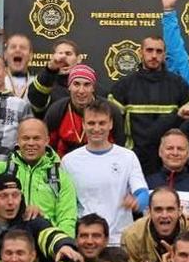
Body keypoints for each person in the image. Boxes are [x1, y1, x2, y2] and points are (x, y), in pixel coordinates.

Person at [0, 117, 78, 236]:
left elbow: (67, 219)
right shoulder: (4, 170)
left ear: (47, 140)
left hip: (45, 247)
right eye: (26, 138)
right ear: (18, 141)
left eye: (36, 138)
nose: (31, 143)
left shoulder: (60, 178)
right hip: (9, 245)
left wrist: (63, 246)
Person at [61, 100, 149, 246]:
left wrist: (136, 203)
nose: (96, 128)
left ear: (111, 124)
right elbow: (66, 203)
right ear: (83, 124)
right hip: (86, 242)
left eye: (102, 123)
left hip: (119, 241)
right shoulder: (69, 161)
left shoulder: (127, 157)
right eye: (91, 123)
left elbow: (143, 194)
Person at [108, 36, 189, 174]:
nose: (154, 55)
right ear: (141, 52)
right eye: (149, 50)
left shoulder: (179, 84)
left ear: (164, 55)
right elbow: (113, 128)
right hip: (134, 162)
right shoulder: (123, 86)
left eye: (159, 51)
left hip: (170, 163)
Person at [121, 187, 189, 262]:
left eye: (170, 209)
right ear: (148, 212)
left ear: (180, 211)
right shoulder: (132, 235)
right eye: (158, 209)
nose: (164, 215)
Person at [44, 64, 126, 156]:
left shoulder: (110, 110)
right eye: (76, 84)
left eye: (87, 85)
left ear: (93, 88)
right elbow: (47, 148)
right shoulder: (57, 111)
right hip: (65, 166)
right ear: (69, 86)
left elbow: (119, 148)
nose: (81, 91)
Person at [27, 39, 81, 117]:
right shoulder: (47, 86)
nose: (63, 57)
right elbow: (35, 96)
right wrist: (50, 70)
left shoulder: (92, 87)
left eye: (68, 54)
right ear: (53, 58)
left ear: (78, 59)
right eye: (60, 53)